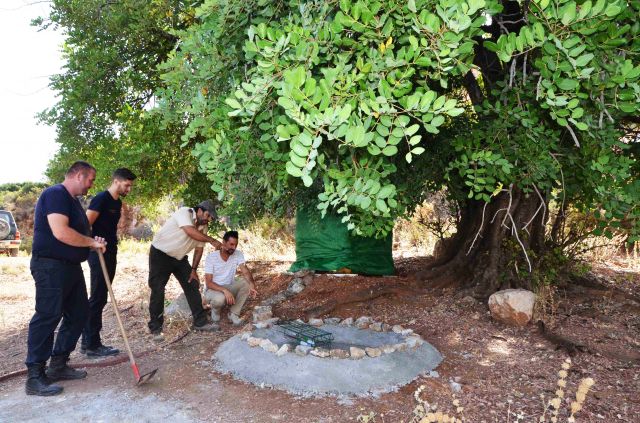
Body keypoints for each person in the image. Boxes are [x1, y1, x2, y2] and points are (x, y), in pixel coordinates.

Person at [26, 161, 106, 396]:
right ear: (79, 176)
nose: (91, 185)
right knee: (48, 315)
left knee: (80, 313)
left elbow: (77, 234)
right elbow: (60, 232)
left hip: (70, 267)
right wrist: (90, 242)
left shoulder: (73, 202)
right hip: (50, 266)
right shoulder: (55, 194)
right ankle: (34, 376)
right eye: (90, 180)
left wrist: (92, 242)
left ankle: (58, 364)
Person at [80, 168, 136, 358]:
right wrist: (92, 244)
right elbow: (85, 224)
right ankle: (91, 345)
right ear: (116, 181)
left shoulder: (117, 202)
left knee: (101, 296)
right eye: (127, 185)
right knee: (97, 297)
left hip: (110, 251)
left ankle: (88, 341)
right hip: (97, 252)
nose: (129, 189)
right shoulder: (101, 198)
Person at [147, 200, 222, 341]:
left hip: (179, 258)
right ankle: (156, 328)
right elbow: (190, 231)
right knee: (158, 289)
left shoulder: (203, 228)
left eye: (211, 217)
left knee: (192, 283)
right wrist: (212, 240)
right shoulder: (185, 212)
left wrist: (193, 269)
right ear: (199, 210)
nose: (208, 219)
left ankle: (200, 323)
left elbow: (199, 249)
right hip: (160, 253)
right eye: (208, 215)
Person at [203, 231, 257, 326]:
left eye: (236, 245)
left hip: (229, 286)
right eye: (231, 244)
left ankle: (233, 314)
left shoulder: (238, 254)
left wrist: (252, 284)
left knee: (246, 283)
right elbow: (209, 283)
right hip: (213, 289)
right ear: (223, 242)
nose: (234, 248)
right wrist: (224, 290)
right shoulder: (211, 257)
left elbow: (245, 271)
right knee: (220, 298)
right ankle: (215, 311)